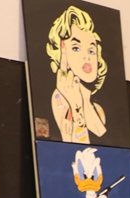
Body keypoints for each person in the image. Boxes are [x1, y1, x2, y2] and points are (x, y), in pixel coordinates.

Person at [46, 7, 108, 144]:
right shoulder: (59, 100)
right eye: (76, 48)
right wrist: (75, 105)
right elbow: (76, 151)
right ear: (61, 52)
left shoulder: (97, 108)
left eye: (91, 50)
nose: (87, 57)